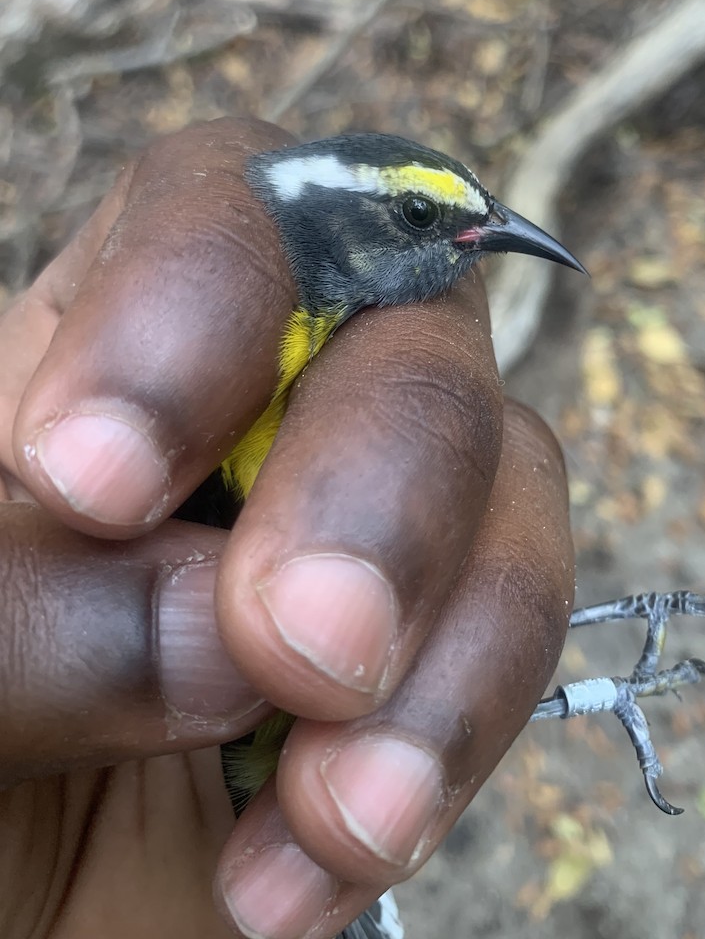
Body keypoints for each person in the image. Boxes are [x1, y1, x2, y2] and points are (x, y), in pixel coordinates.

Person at [0, 118, 575, 939]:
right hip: (227, 764)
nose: (469, 236)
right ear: (330, 222)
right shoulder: (252, 353)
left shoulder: (313, 351)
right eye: (417, 215)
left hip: (239, 784)